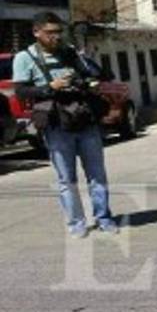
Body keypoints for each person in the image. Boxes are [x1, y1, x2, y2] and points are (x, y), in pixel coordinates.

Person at [11, 12, 118, 238]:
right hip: (56, 124)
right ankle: (76, 223)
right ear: (36, 32)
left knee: (97, 174)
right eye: (50, 33)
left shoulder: (69, 53)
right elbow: (20, 91)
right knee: (66, 178)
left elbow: (96, 75)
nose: (56, 37)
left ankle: (104, 218)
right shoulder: (24, 58)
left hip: (83, 118)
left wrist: (87, 78)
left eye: (59, 32)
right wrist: (49, 87)